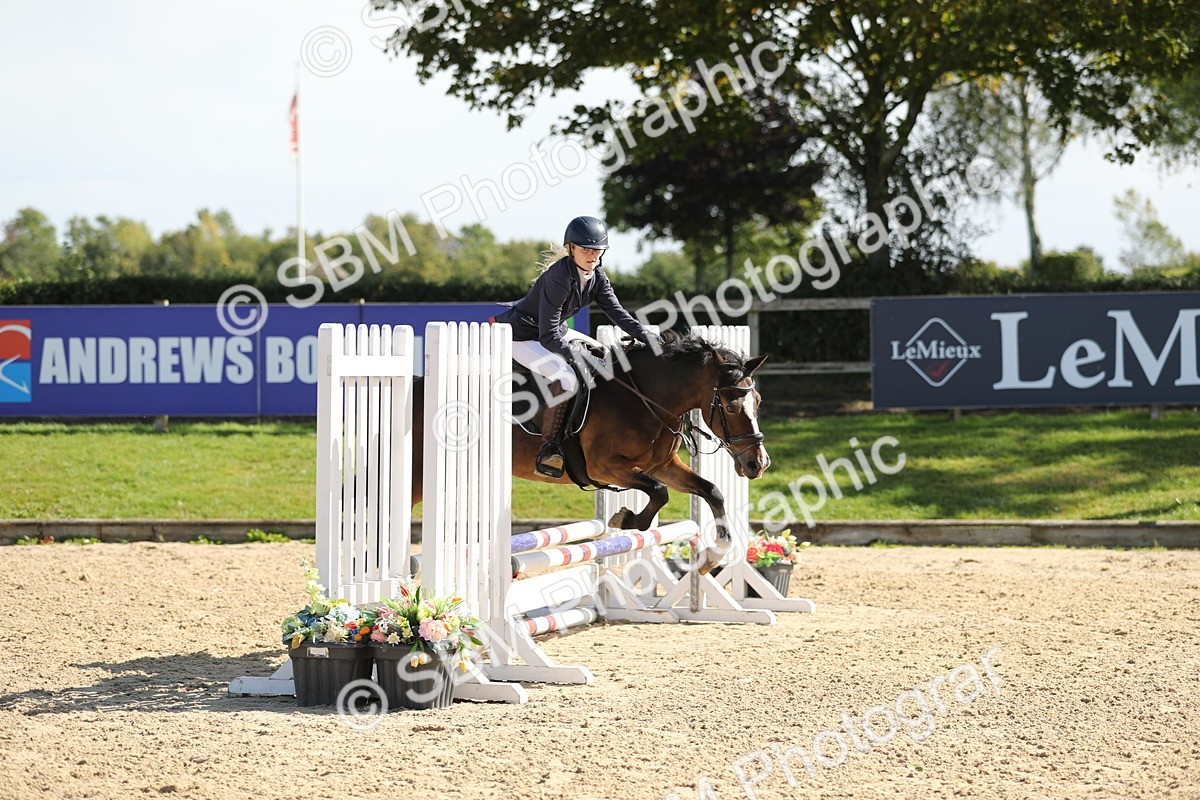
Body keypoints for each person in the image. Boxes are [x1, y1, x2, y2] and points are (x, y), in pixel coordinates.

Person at [495, 215, 658, 479]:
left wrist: (646, 335)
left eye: (597, 250)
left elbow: (617, 313)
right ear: (571, 248)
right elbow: (547, 336)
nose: (592, 255)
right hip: (522, 336)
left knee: (607, 359)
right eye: (585, 249)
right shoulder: (558, 276)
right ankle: (550, 447)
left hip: (554, 331)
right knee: (567, 376)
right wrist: (577, 356)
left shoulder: (597, 276)